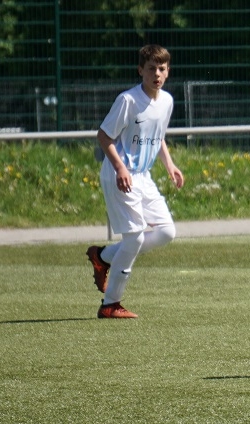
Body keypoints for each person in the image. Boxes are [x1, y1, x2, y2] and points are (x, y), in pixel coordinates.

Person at [86, 44, 184, 318]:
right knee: (134, 239)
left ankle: (102, 257)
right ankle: (110, 305)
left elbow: (157, 136)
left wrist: (169, 165)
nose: (157, 74)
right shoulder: (128, 101)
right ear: (140, 70)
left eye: (161, 69)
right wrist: (120, 168)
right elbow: (104, 136)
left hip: (143, 176)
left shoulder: (167, 101)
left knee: (166, 232)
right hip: (120, 174)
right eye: (151, 68)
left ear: (168, 71)